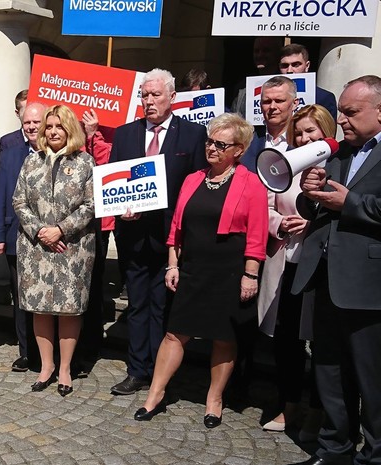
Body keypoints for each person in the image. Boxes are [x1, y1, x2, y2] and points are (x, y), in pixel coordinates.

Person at [134, 113, 268, 428]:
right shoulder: (193, 179)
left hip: (229, 271)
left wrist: (250, 275)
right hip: (193, 269)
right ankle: (155, 394)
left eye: (221, 144)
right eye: (210, 141)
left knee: (224, 338)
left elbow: (257, 235)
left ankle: (214, 399)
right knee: (174, 333)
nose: (212, 148)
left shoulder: (251, 183)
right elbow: (176, 228)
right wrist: (173, 263)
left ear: (239, 149)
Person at [288, 75, 381, 465]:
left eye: (351, 112)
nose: (341, 119)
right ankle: (335, 449)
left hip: (367, 285)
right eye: (341, 111)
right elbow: (319, 208)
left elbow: (351, 204)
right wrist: (311, 194)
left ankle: (374, 455)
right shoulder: (339, 152)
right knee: (328, 370)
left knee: (372, 378)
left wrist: (351, 203)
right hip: (325, 278)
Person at [109, 69, 207, 396]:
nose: (149, 101)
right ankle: (137, 370)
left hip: (171, 240)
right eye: (144, 95)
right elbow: (113, 181)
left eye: (155, 95)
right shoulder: (125, 134)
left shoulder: (193, 134)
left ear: (172, 97)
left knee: (164, 306)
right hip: (133, 235)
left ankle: (161, 373)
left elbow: (197, 185)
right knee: (137, 305)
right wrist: (120, 207)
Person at [258, 104, 335, 437]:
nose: (304, 138)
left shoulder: (340, 165)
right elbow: (266, 206)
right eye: (299, 132)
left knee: (320, 343)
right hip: (287, 263)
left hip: (321, 268)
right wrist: (280, 223)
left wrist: (312, 225)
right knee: (286, 341)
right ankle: (289, 404)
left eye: (310, 131)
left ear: (325, 131)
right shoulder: (284, 163)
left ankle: (318, 409)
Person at [13, 104, 96, 397]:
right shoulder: (31, 162)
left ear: (70, 129)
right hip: (36, 247)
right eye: (49, 126)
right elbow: (19, 201)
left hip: (72, 248)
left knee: (69, 308)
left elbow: (91, 204)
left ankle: (65, 369)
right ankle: (46, 366)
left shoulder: (85, 162)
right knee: (41, 308)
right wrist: (40, 230)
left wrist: (61, 229)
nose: (52, 131)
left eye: (59, 126)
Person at [0, 101, 45, 372]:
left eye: (36, 122)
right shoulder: (10, 155)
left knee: (46, 297)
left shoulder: (58, 152)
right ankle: (26, 352)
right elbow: (0, 195)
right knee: (21, 298)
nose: (31, 127)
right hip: (16, 236)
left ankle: (50, 352)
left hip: (50, 239)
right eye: (27, 123)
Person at [241, 75, 299, 174]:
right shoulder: (246, 140)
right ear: (260, 105)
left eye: (279, 101)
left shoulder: (305, 139)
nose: (272, 106)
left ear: (294, 103)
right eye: (267, 102)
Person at [279, 43, 338, 120]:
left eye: (296, 65)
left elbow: (328, 127)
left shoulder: (324, 98)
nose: (289, 70)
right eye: (284, 66)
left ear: (307, 66)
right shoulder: (268, 97)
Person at [231, 36, 283, 114]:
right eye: (256, 51)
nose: (260, 55)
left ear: (277, 53)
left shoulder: (286, 83)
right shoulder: (243, 86)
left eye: (266, 51)